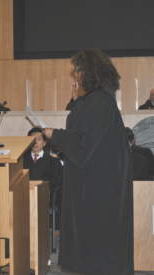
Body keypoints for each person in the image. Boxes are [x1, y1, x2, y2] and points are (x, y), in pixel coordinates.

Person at [44, 49, 134, 275]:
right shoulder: (99, 99)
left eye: (79, 70)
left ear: (91, 72)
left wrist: (55, 134)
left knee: (96, 247)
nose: (76, 75)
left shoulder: (99, 100)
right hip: (99, 183)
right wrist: (76, 102)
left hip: (97, 189)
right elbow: (83, 132)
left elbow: (82, 144)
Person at [23, 127, 63, 202]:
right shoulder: (22, 161)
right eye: (33, 139)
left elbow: (57, 183)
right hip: (23, 197)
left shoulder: (53, 161)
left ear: (44, 143)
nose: (35, 142)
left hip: (44, 199)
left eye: (39, 139)